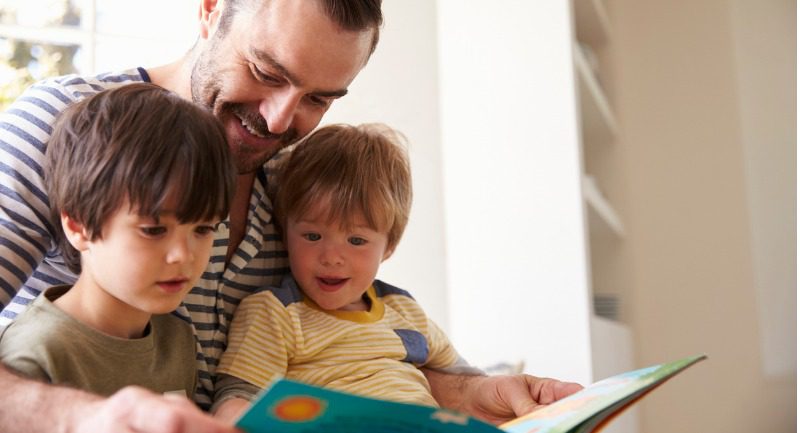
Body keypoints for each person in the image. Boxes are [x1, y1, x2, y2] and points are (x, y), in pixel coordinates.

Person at [0, 1, 580, 432]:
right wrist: (84, 418)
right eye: (266, 72)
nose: (279, 122)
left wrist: (468, 395)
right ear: (210, 12)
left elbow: (339, 354)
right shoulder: (63, 125)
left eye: (318, 99)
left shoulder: (299, 187)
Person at [212, 123, 480, 420]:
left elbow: (468, 380)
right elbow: (237, 400)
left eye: (356, 241)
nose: (332, 258)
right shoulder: (275, 313)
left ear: (389, 246)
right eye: (312, 236)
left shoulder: (404, 310)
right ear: (284, 232)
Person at [0, 83, 234, 399]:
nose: (182, 255)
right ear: (78, 226)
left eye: (204, 229)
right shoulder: (33, 356)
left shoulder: (177, 339)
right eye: (153, 230)